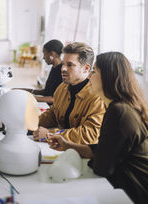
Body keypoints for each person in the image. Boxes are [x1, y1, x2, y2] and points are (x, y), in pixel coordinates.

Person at [48, 52, 148, 204]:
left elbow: (102, 166)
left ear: (108, 77)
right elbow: (104, 151)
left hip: (133, 193)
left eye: (94, 71)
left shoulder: (118, 111)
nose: (90, 77)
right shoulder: (123, 106)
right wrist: (67, 145)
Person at [33, 42, 105, 144]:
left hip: (83, 153)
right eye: (63, 64)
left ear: (86, 68)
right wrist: (29, 123)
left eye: (70, 65)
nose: (63, 69)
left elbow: (90, 134)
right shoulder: (62, 87)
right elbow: (53, 113)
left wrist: (51, 134)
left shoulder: (97, 97)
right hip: (63, 147)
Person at [15, 39, 63, 105]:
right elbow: (47, 92)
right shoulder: (54, 68)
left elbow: (53, 99)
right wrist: (23, 90)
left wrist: (28, 97)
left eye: (44, 53)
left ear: (52, 54)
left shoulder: (62, 72)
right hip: (47, 104)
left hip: (53, 109)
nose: (43, 58)